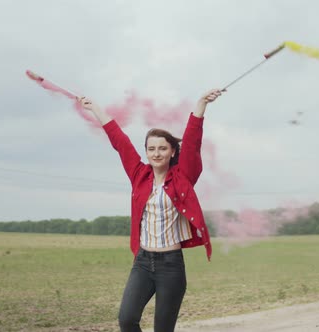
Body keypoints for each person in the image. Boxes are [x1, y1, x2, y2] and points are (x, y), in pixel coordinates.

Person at [77, 89, 222, 332]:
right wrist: (96, 109)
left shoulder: (183, 177)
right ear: (146, 152)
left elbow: (193, 143)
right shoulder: (139, 175)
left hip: (171, 265)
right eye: (151, 149)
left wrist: (200, 106)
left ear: (172, 151)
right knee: (127, 319)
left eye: (162, 148)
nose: (156, 153)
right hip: (143, 262)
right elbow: (120, 142)